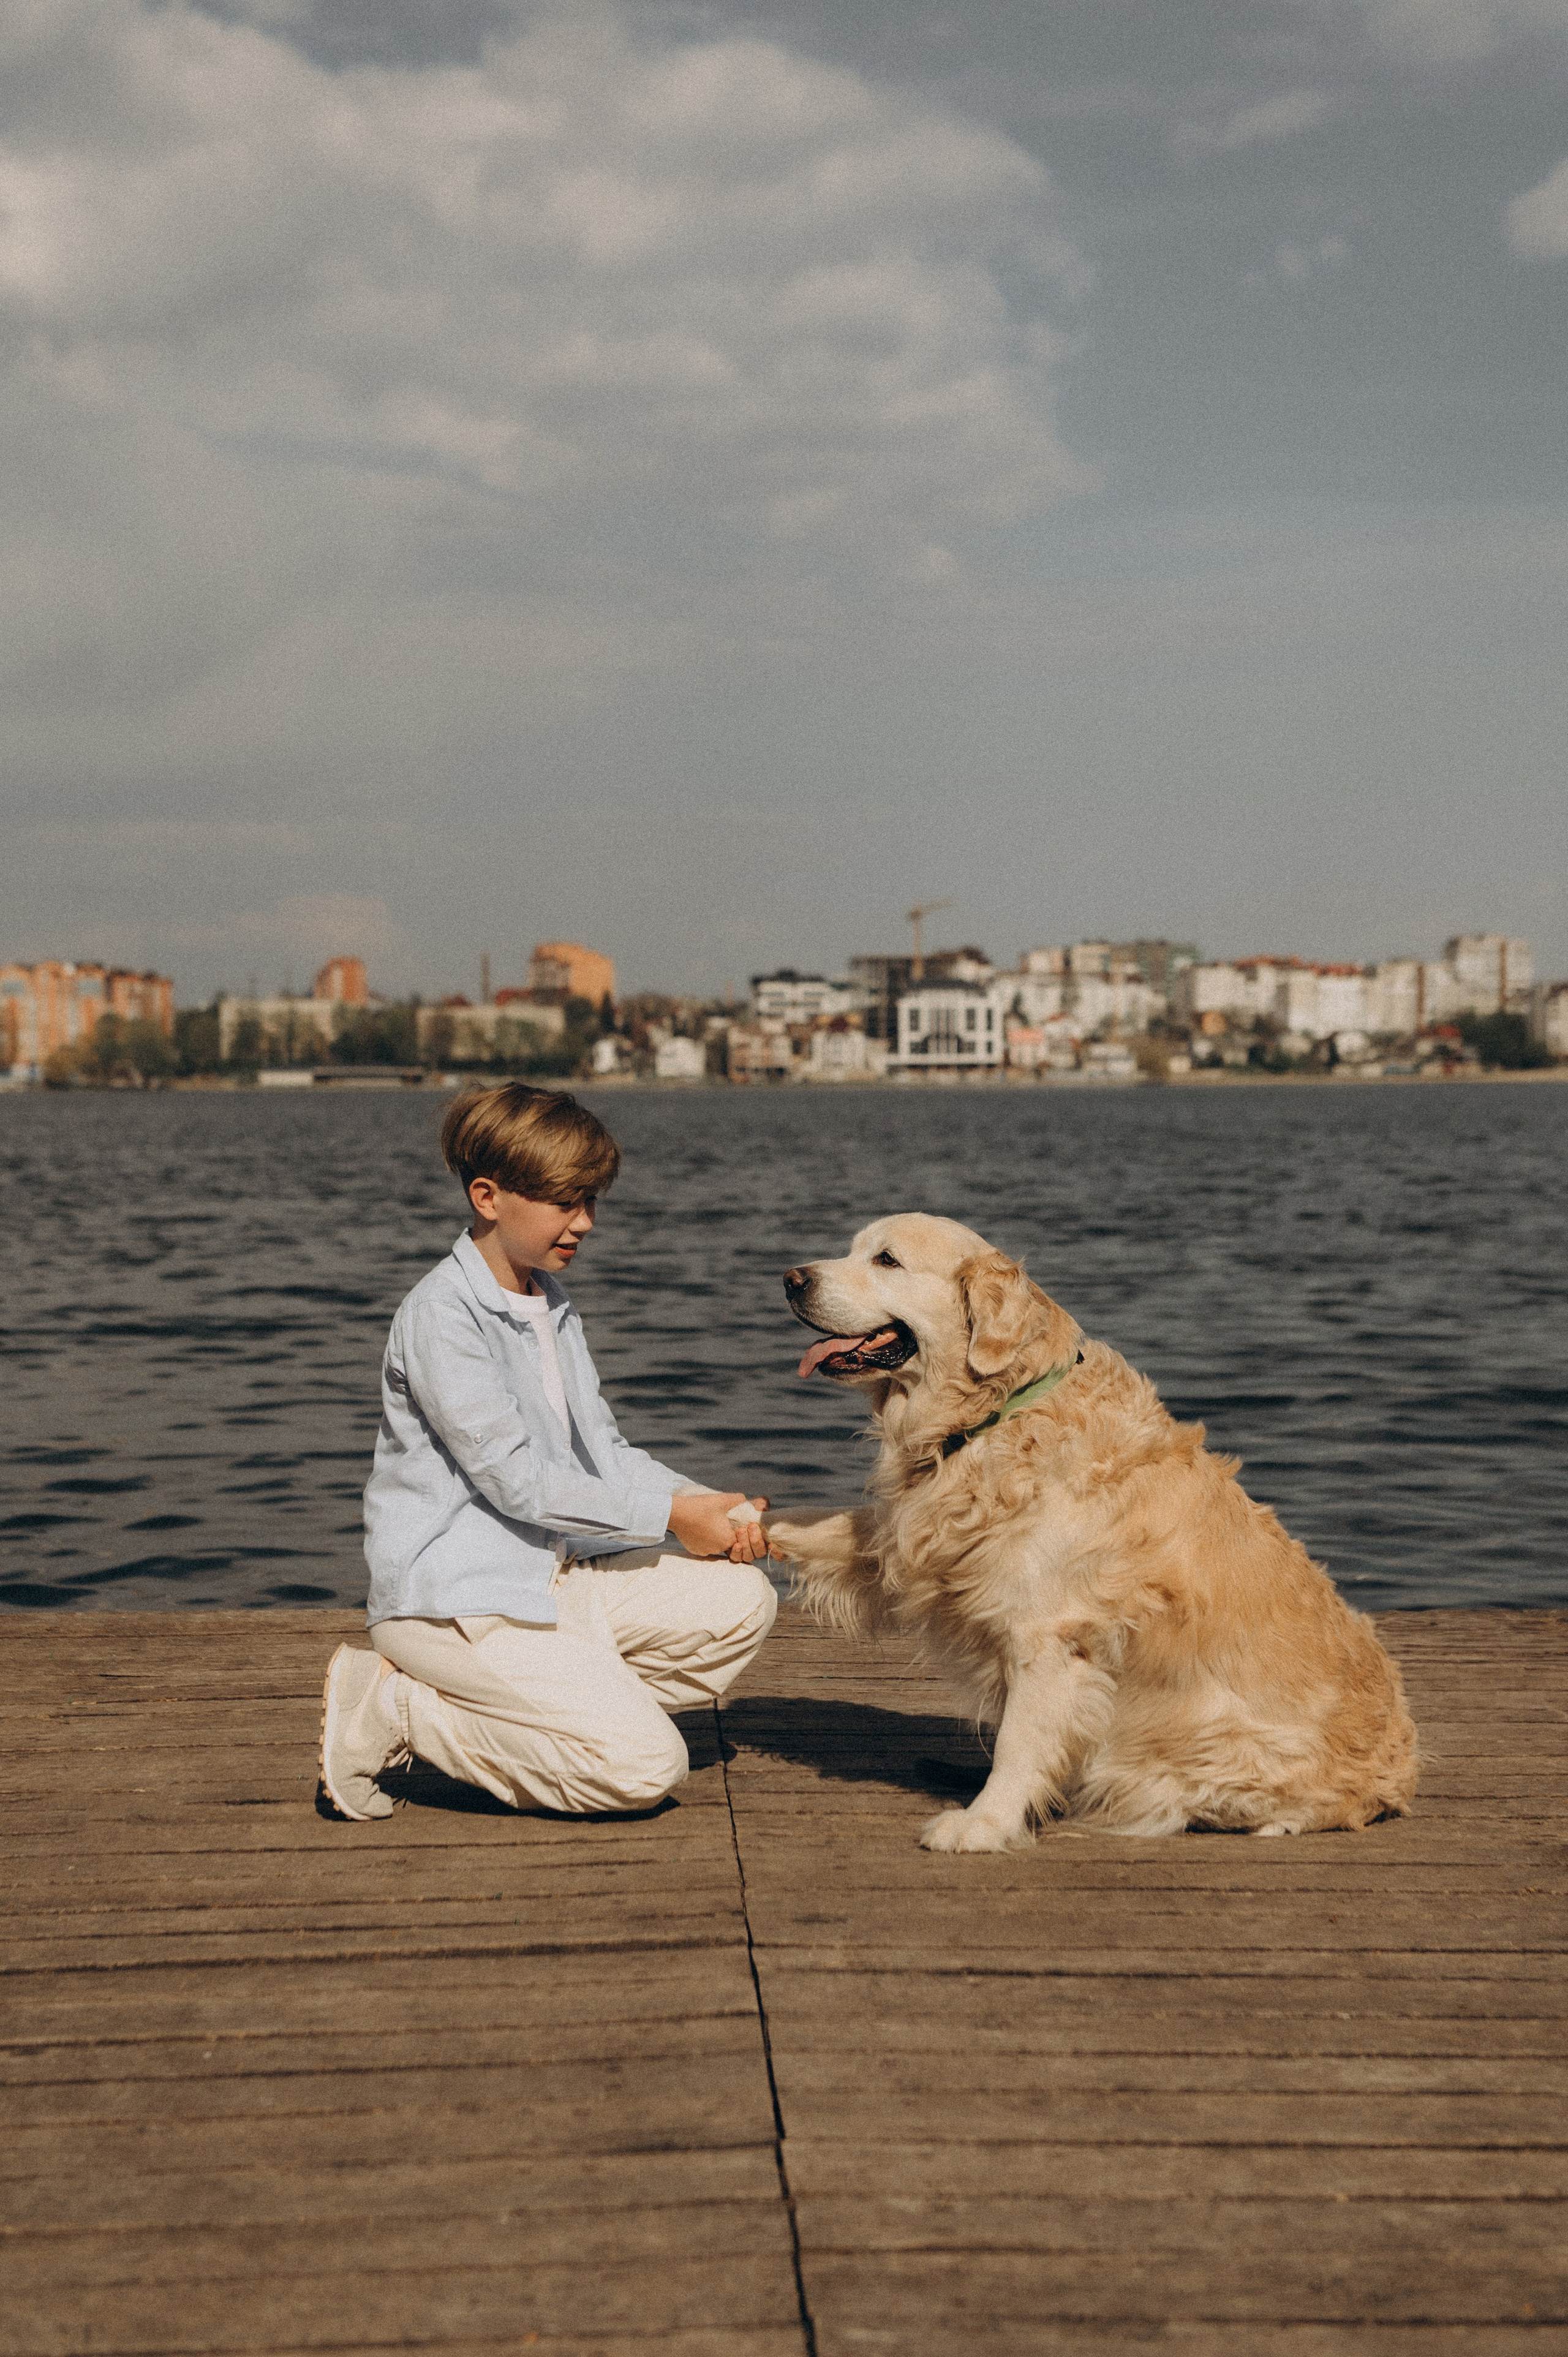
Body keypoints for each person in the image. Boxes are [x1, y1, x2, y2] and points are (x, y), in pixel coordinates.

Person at [317, 1081, 775, 1822]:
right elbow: (519, 1484)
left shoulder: (549, 1303)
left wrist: (706, 1504)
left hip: (552, 1581)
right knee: (644, 1766)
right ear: (488, 1195)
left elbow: (606, 1452)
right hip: (458, 1605)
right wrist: (670, 1514)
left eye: (592, 1200)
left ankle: (554, 1705)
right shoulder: (442, 1315)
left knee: (741, 1601)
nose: (586, 1222)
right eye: (566, 1200)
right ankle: (399, 1709)